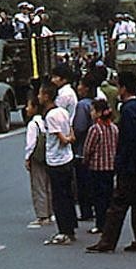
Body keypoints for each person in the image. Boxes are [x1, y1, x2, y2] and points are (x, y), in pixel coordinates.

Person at [86, 72, 136, 253]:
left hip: (130, 166)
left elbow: (129, 140)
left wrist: (121, 163)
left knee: (118, 205)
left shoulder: (127, 111)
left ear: (123, 89)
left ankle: (107, 242)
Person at [39, 81, 78, 245]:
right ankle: (71, 227)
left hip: (56, 161)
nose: (38, 97)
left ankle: (64, 231)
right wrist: (69, 139)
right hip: (68, 158)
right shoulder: (63, 112)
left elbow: (62, 139)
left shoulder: (51, 116)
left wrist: (66, 139)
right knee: (68, 195)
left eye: (40, 94)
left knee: (59, 198)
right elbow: (71, 134)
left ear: (47, 96)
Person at [83, 98, 119, 235]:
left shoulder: (95, 129)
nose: (91, 113)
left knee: (98, 198)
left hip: (97, 168)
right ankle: (109, 223)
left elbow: (88, 149)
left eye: (93, 110)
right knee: (108, 197)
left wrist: (85, 161)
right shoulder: (114, 128)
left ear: (98, 113)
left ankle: (100, 224)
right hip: (110, 167)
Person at [23, 92, 53, 229]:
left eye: (29, 106)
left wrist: (27, 158)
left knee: (38, 185)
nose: (26, 109)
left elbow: (31, 144)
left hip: (37, 157)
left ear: (35, 108)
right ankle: (50, 212)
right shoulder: (44, 120)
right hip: (47, 156)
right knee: (48, 185)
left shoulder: (33, 124)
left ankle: (42, 215)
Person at [72, 75, 96, 223]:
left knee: (83, 183)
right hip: (95, 150)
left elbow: (80, 128)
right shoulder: (95, 102)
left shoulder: (82, 105)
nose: (78, 88)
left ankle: (86, 211)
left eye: (80, 85)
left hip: (82, 149)